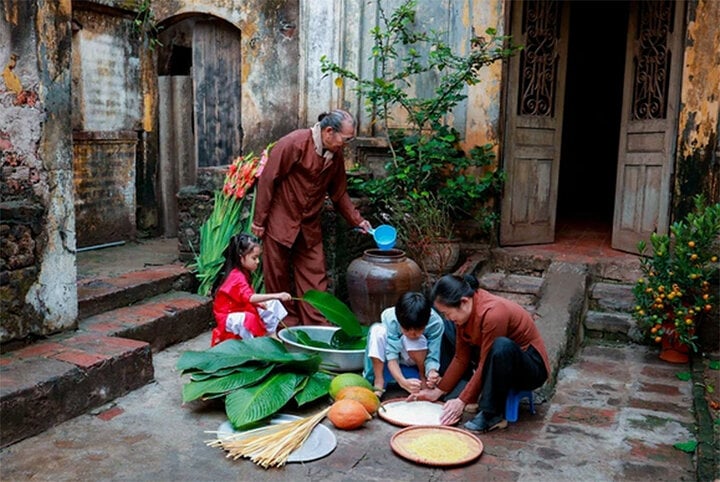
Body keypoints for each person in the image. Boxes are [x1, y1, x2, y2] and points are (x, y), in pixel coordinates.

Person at [251, 109, 372, 326]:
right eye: (346, 139)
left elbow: (339, 192)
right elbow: (268, 180)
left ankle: (318, 327)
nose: (347, 144)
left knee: (315, 278)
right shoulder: (294, 143)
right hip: (281, 220)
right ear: (328, 132)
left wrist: (358, 220)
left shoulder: (335, 156)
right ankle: (287, 327)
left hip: (309, 225)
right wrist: (259, 221)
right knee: (277, 278)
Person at [413, 274, 550, 433]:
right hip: (497, 364)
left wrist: (461, 401)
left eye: (447, 312)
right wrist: (436, 392)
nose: (447, 317)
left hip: (530, 368)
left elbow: (486, 361)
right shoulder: (464, 314)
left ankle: (493, 415)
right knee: (446, 328)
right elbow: (460, 357)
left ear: (463, 302)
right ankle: (472, 393)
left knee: (501, 346)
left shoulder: (493, 313)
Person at [211, 233, 292, 347]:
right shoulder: (236, 276)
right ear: (241, 256)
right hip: (228, 315)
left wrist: (263, 301)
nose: (257, 261)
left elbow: (247, 296)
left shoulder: (244, 273)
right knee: (248, 319)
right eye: (254, 258)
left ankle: (271, 335)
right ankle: (251, 346)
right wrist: (277, 295)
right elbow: (250, 297)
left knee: (272, 304)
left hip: (241, 306)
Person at [363, 292, 445, 396]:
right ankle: (379, 380)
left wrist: (432, 372)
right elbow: (392, 355)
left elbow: (433, 354)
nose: (412, 334)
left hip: (415, 359)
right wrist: (402, 382)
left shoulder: (436, 324)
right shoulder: (391, 318)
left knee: (416, 339)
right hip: (391, 359)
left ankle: (423, 376)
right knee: (377, 330)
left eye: (419, 329)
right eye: (406, 329)